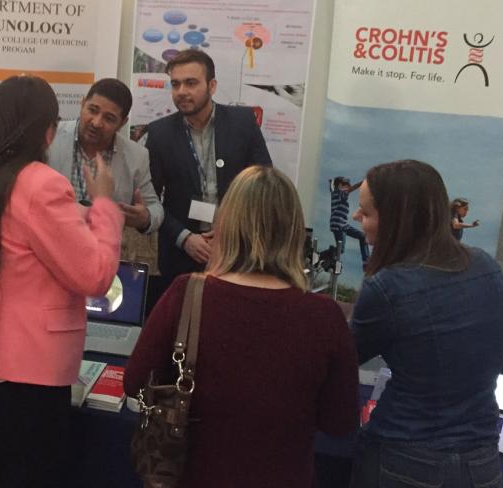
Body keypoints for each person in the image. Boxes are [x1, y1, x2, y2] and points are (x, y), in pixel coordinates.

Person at [0, 75, 123, 487]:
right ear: (47, 130)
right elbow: (95, 275)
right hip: (23, 373)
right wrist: (104, 203)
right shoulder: (41, 183)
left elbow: (11, 240)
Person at [124, 165, 359, 487]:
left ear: (226, 224)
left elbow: (136, 382)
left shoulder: (187, 293)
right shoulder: (325, 316)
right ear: (292, 232)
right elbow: (340, 422)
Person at [349, 160, 503, 488]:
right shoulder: (487, 266)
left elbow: (343, 361)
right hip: (482, 466)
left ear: (396, 220)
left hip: (403, 460)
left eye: (366, 212)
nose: (357, 218)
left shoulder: (386, 287)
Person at [145, 49, 271, 283]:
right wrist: (183, 237)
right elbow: (151, 199)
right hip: (181, 256)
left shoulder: (242, 123)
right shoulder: (159, 134)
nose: (182, 92)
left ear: (211, 86)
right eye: (175, 84)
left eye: (191, 83)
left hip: (238, 252)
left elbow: (265, 185)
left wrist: (231, 231)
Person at [47, 77, 163, 234]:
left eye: (109, 118)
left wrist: (145, 218)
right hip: (49, 244)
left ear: (122, 123)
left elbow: (155, 209)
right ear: (82, 104)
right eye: (92, 110)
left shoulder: (136, 156)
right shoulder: (50, 138)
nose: (96, 122)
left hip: (101, 250)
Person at [329, 176, 369, 265]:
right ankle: (328, 253)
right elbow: (351, 189)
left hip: (343, 224)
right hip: (338, 225)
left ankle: (366, 261)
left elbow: (332, 188)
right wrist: (362, 182)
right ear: (340, 185)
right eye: (346, 186)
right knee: (341, 249)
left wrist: (331, 183)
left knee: (362, 236)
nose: (347, 188)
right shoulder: (340, 193)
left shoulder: (334, 193)